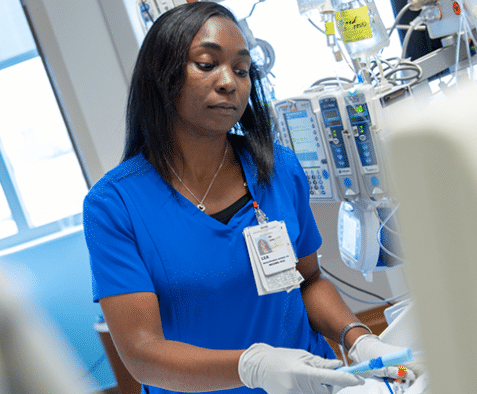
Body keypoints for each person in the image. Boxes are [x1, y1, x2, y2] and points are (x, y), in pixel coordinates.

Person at [83, 3, 420, 393]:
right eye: (207, 64)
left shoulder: (278, 169)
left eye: (242, 70)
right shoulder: (115, 205)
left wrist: (358, 337)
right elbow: (143, 355)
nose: (230, 82)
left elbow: (308, 280)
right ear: (161, 77)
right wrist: (252, 366)